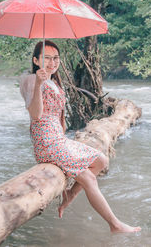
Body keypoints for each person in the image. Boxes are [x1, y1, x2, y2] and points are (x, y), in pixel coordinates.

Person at [20, 40, 141, 233]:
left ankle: (69, 195)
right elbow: (35, 115)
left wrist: (63, 131)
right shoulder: (30, 79)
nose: (52, 62)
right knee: (88, 178)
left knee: (101, 160)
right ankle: (115, 225)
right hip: (46, 141)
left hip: (57, 138)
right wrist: (38, 85)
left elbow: (58, 114)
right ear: (36, 60)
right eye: (47, 58)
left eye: (56, 58)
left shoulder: (53, 80)